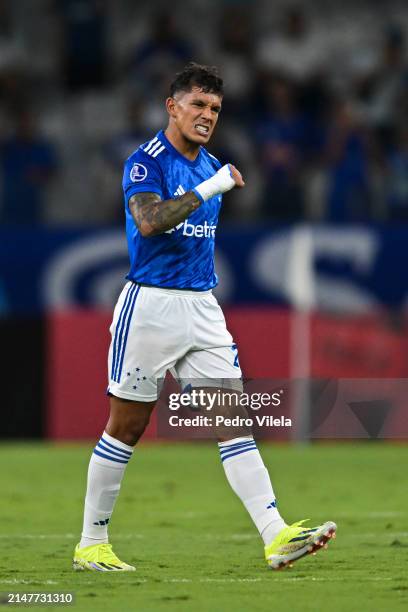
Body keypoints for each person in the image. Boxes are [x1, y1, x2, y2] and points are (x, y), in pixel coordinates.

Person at [73, 62, 336, 572]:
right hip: (149, 306)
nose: (207, 115)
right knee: (126, 427)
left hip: (202, 308)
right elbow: (149, 223)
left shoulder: (210, 165)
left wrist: (211, 184)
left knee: (233, 423)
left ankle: (275, 533)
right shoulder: (146, 162)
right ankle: (91, 543)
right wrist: (211, 189)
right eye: (197, 104)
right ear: (172, 106)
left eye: (215, 108)